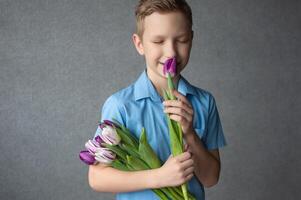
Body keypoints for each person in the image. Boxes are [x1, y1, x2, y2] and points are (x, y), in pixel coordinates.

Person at [88, 0, 227, 199]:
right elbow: (96, 177)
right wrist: (160, 177)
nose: (171, 52)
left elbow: (211, 178)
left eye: (181, 40)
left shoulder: (204, 102)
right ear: (139, 44)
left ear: (192, 40)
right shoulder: (121, 106)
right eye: (158, 41)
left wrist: (189, 134)